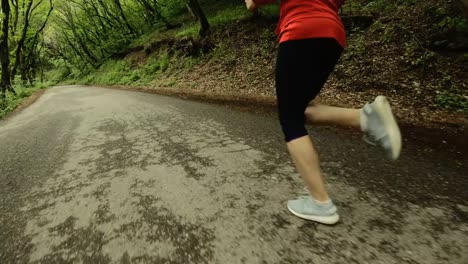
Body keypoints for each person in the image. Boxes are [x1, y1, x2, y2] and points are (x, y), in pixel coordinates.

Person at [244, 0, 402, 225]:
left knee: (290, 119)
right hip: (332, 33)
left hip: (302, 30)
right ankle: (366, 118)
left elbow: (252, 3)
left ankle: (321, 203)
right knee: (299, 110)